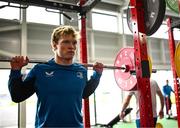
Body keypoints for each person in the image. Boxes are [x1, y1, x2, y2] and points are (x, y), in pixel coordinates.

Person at [8, 25, 104, 128]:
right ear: (54, 45)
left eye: (74, 42)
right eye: (66, 42)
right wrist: (15, 71)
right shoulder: (40, 70)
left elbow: (84, 93)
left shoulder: (81, 70)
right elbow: (17, 96)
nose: (72, 46)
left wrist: (97, 75)